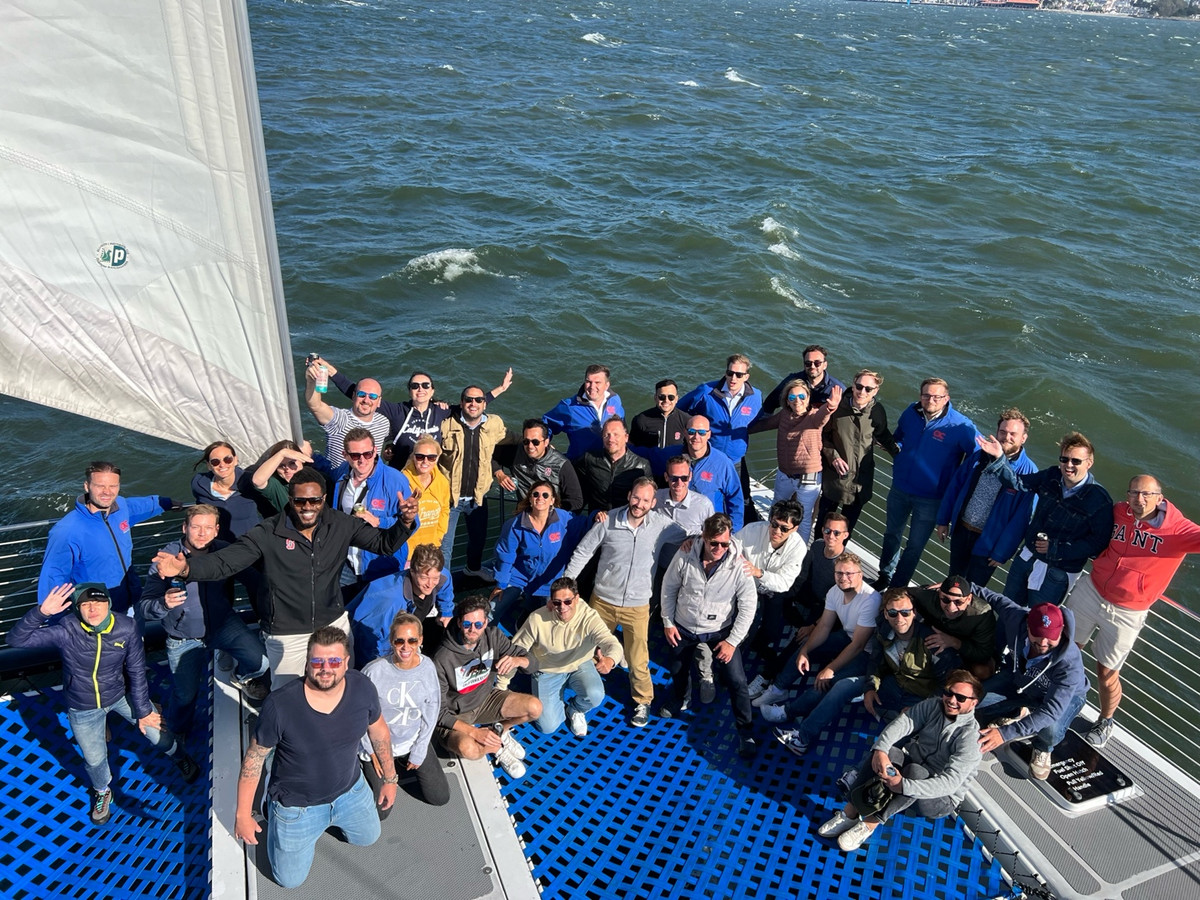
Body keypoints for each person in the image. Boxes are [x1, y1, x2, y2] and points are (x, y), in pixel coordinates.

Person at [154, 467, 417, 684]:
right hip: (286, 632)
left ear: (323, 499)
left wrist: (404, 522)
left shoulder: (341, 524)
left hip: (333, 622)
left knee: (341, 681)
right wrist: (187, 569)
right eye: (299, 500)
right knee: (286, 693)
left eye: (314, 500)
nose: (307, 507)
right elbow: (226, 562)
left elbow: (384, 544)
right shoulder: (267, 532)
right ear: (290, 500)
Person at [9, 583, 199, 826]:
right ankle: (102, 791)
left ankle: (179, 756)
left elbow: (137, 671)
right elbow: (16, 640)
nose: (92, 609)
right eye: (85, 604)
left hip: (120, 695)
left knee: (157, 732)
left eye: (97, 602)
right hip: (83, 706)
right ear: (77, 609)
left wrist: (142, 712)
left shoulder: (126, 627)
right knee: (94, 759)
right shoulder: (67, 629)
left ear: (108, 604)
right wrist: (42, 612)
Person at [233, 626, 397, 888]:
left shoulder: (363, 687)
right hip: (297, 807)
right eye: (318, 661)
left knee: (369, 837)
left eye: (334, 661)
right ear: (307, 663)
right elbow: (253, 761)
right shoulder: (280, 705)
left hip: (350, 791)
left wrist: (390, 778)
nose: (325, 668)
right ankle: (271, 811)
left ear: (345, 663)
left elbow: (379, 732)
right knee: (289, 881)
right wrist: (242, 814)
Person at [1066, 474, 1200, 748]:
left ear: (1159, 498)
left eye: (1146, 495)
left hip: (1128, 611)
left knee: (1107, 672)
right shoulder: (1119, 512)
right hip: (1091, 590)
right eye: (1134, 493)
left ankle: (1105, 720)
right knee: (1066, 648)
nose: (1139, 500)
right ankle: (1057, 694)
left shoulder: (1178, 531)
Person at [564, 477, 686, 727]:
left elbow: (687, 536)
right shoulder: (607, 521)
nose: (639, 504)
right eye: (636, 497)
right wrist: (565, 586)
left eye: (645, 500)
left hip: (637, 605)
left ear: (653, 503)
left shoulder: (663, 526)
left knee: (638, 656)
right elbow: (584, 551)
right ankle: (583, 691)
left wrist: (695, 542)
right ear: (629, 495)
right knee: (586, 646)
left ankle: (642, 701)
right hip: (603, 600)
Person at [818, 671, 983, 852]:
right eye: (948, 692)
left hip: (940, 798)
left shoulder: (970, 738)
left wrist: (903, 786)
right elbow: (903, 723)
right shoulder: (933, 705)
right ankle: (851, 811)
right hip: (914, 765)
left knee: (916, 772)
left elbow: (950, 784)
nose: (951, 700)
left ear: (973, 702)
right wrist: (880, 750)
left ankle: (870, 824)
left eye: (960, 697)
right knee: (890, 752)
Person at [142, 505, 270, 735]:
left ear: (217, 530)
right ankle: (179, 734)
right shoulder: (166, 558)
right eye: (196, 527)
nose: (202, 533)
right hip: (183, 637)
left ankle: (241, 676)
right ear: (184, 528)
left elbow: (256, 581)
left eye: (208, 527)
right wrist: (163, 603)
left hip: (224, 624)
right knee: (184, 695)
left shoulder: (225, 552)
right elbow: (145, 607)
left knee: (261, 661)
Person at [772, 589, 941, 758]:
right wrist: (870, 688)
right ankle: (801, 737)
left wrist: (921, 708)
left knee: (902, 736)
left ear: (914, 613)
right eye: (893, 613)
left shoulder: (930, 641)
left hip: (919, 697)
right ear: (886, 614)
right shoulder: (884, 631)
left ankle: (859, 775)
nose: (900, 619)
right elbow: (876, 662)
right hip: (893, 685)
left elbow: (945, 683)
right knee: (842, 686)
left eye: (905, 612)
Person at [976, 430, 1114, 607]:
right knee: (1007, 610)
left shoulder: (1099, 500)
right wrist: (999, 458)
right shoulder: (1052, 475)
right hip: (1027, 558)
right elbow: (1018, 482)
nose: (1068, 465)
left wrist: (1056, 548)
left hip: (1057, 572)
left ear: (1089, 463)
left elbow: (1098, 543)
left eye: (1076, 461)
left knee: (1038, 624)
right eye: (1064, 459)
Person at [660, 513, 760, 758]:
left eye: (724, 544)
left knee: (737, 680)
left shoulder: (739, 565)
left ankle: (745, 731)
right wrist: (667, 622)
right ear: (703, 538)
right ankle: (681, 696)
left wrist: (732, 642)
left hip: (719, 632)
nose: (719, 548)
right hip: (683, 626)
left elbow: (748, 606)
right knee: (676, 668)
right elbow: (669, 587)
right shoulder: (685, 553)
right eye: (713, 543)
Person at [876, 378, 977, 590]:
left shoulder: (961, 426)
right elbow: (900, 437)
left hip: (931, 499)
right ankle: (884, 576)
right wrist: (895, 446)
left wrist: (957, 479)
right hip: (900, 488)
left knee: (914, 546)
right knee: (891, 534)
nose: (930, 400)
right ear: (920, 395)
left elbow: (976, 456)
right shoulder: (910, 412)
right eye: (926, 395)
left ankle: (897, 588)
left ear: (946, 399)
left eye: (936, 396)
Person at [755, 552, 880, 723]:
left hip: (868, 652)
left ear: (860, 575)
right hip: (848, 636)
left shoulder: (870, 600)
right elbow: (824, 626)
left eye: (849, 573)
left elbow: (859, 645)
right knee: (807, 644)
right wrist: (805, 651)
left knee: (829, 680)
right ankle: (778, 689)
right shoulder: (835, 591)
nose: (844, 578)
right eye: (839, 573)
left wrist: (831, 668)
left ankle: (788, 712)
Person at [37, 461, 175, 613]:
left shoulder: (120, 506)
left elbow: (136, 507)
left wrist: (165, 503)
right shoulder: (66, 531)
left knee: (136, 635)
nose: (107, 492)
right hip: (97, 613)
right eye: (100, 486)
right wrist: (54, 620)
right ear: (87, 486)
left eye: (113, 486)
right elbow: (53, 577)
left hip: (132, 600)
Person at [977, 594, 1089, 780]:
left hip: (1063, 699)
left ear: (1061, 631)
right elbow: (994, 598)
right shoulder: (1016, 616)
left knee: (1050, 728)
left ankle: (1043, 747)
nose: (1043, 643)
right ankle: (1017, 712)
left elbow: (1050, 711)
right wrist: (963, 587)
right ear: (1028, 625)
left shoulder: (1070, 663)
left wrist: (1004, 734)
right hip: (1022, 682)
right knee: (977, 698)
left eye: (1051, 638)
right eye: (1038, 635)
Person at [322, 359, 511, 468]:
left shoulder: (440, 411)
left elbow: (472, 405)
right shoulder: (397, 411)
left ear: (432, 391)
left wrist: (500, 390)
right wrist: (329, 370)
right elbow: (361, 395)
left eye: (425, 385)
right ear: (410, 390)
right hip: (400, 476)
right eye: (415, 386)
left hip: (428, 477)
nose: (420, 389)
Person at [433, 597, 541, 778]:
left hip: (485, 699)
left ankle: (499, 731)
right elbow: (438, 712)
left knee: (535, 708)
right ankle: (495, 747)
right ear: (459, 622)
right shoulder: (442, 658)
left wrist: (517, 660)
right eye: (467, 623)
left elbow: (533, 664)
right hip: (456, 713)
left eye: (478, 624)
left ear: (486, 623)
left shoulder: (494, 637)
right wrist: (474, 732)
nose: (472, 629)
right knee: (468, 748)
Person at [505, 577, 624, 736]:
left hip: (579, 664)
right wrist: (502, 686)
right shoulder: (537, 618)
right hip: (547, 670)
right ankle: (553, 704)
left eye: (567, 601)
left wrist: (610, 660)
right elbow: (515, 651)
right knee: (548, 727)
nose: (562, 607)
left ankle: (575, 708)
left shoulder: (589, 617)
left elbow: (612, 644)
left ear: (577, 599)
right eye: (557, 602)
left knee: (595, 695)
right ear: (551, 602)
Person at [936, 408, 1037, 588]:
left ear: (1024, 438)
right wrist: (943, 519)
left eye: (1013, 434)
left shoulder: (1028, 472)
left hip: (989, 545)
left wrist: (1002, 552)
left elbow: (1022, 519)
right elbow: (955, 486)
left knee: (974, 590)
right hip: (962, 531)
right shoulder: (980, 456)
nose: (1007, 437)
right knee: (954, 582)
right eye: (1003, 432)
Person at [360, 613, 450, 811]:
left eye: (412, 640)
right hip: (380, 746)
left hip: (410, 740)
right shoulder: (374, 672)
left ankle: (401, 765)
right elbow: (359, 715)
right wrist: (370, 750)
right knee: (381, 811)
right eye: (399, 640)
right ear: (392, 641)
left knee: (440, 797)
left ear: (421, 640)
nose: (406, 647)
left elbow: (431, 710)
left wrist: (419, 749)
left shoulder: (427, 667)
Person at [750, 376, 842, 541]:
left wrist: (830, 406)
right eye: (792, 397)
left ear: (808, 398)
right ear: (787, 400)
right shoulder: (784, 415)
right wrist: (738, 430)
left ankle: (799, 556)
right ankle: (769, 542)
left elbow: (822, 416)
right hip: (784, 474)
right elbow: (764, 424)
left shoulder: (813, 417)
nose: (797, 401)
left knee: (804, 518)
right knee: (776, 510)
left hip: (809, 478)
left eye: (802, 397)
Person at [330, 428, 414, 600]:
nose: (362, 460)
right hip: (347, 565)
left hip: (381, 567)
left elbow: (413, 524)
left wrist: (379, 521)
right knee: (345, 616)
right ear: (345, 455)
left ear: (375, 451)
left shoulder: (394, 480)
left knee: (378, 620)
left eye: (367, 454)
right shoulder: (341, 475)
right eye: (355, 455)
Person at [491, 480, 587, 631]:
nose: (540, 498)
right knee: (493, 608)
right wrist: (500, 584)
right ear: (530, 498)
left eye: (545, 495)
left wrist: (598, 515)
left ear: (552, 500)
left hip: (551, 581)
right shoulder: (515, 524)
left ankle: (528, 615)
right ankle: (484, 643)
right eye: (535, 494)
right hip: (521, 577)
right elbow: (505, 554)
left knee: (554, 620)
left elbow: (587, 524)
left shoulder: (565, 519)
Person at [817, 369, 899, 536]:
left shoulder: (877, 412)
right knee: (823, 527)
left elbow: (884, 436)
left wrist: (901, 458)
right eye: (859, 386)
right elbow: (822, 436)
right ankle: (817, 557)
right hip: (835, 479)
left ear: (876, 391)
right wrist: (834, 457)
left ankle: (836, 559)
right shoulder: (837, 407)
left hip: (860, 481)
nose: (862, 392)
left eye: (868, 389)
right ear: (853, 386)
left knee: (846, 531)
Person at [439, 384, 508, 579]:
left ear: (485, 404)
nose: (473, 403)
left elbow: (510, 441)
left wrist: (544, 446)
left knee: (478, 541)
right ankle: (441, 586)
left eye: (478, 400)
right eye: (468, 399)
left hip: (477, 498)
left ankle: (473, 569)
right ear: (461, 403)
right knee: (445, 548)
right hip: (450, 499)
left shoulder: (493, 425)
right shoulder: (446, 425)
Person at [738, 500, 808, 692]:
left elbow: (784, 583)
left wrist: (759, 573)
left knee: (771, 630)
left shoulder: (798, 548)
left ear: (795, 529)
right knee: (744, 626)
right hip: (747, 585)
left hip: (773, 589)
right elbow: (732, 546)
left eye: (784, 528)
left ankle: (757, 644)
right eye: (774, 524)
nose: (776, 531)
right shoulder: (753, 530)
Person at [349, 544, 455, 663]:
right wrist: (383, 664)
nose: (430, 584)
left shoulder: (441, 576)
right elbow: (369, 639)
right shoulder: (390, 601)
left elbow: (446, 584)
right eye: (424, 578)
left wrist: (446, 611)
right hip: (365, 637)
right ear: (412, 571)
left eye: (435, 578)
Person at [907, 575, 997, 680]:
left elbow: (983, 653)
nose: (951, 607)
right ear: (939, 594)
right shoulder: (928, 596)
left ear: (968, 599)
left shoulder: (982, 614)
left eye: (958, 602)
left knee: (982, 671)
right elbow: (899, 594)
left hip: (966, 648)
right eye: (945, 599)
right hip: (932, 638)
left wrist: (955, 642)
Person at [678, 354, 763, 467]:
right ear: (725, 373)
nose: (733, 378)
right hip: (706, 456)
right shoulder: (706, 391)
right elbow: (678, 410)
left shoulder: (755, 397)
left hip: (735, 461)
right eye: (730, 373)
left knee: (739, 485)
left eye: (738, 375)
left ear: (746, 377)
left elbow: (756, 421)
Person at [304, 361, 389, 467]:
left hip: (367, 479)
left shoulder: (383, 423)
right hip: (338, 478)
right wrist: (311, 382)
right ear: (353, 396)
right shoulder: (340, 418)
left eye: (372, 397)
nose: (366, 400)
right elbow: (315, 405)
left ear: (379, 401)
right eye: (361, 394)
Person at [493, 418, 584, 512]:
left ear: (546, 442)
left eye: (535, 442)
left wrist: (554, 516)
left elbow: (576, 500)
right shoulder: (516, 453)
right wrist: (499, 473)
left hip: (552, 517)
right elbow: (487, 455)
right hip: (524, 514)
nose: (530, 446)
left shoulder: (561, 464)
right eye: (526, 441)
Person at [543, 364, 624, 460]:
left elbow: (622, 425)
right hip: (581, 466)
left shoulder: (615, 400)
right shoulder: (570, 407)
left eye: (597, 382)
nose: (592, 386)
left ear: (607, 385)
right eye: (588, 382)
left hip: (610, 462)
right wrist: (545, 444)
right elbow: (545, 423)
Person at [680, 414, 744, 531]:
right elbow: (649, 455)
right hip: (680, 525)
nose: (696, 437)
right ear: (685, 432)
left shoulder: (723, 463)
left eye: (702, 433)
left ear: (709, 434)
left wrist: (732, 532)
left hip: (711, 528)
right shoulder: (672, 456)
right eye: (691, 431)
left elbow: (735, 499)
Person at [575, 416, 650, 513]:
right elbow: (574, 490)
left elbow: (647, 499)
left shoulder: (641, 465)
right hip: (597, 519)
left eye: (616, 435)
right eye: (607, 435)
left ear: (626, 437)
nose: (611, 439)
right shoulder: (589, 460)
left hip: (626, 518)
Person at [190, 440, 262, 542]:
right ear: (209, 466)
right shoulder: (199, 484)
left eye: (227, 459)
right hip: (215, 547)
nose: (222, 465)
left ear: (235, 460)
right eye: (215, 462)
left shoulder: (250, 482)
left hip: (249, 545)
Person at [400, 434, 452, 557]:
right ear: (413, 457)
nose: (425, 461)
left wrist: (439, 536)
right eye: (420, 457)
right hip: (405, 550)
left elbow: (445, 510)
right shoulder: (402, 481)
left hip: (431, 549)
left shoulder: (442, 482)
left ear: (437, 458)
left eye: (431, 457)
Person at [762, 344, 846, 414]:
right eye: (808, 363)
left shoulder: (837, 388)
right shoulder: (792, 381)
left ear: (825, 365)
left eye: (817, 363)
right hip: (795, 423)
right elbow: (770, 403)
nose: (812, 366)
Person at [241, 438, 314, 516]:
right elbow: (257, 481)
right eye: (281, 465)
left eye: (292, 463)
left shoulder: (315, 477)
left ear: (302, 461)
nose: (287, 469)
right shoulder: (276, 484)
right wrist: (282, 453)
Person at [630, 378, 689, 450]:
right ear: (655, 398)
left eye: (671, 397)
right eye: (662, 397)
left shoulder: (687, 421)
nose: (666, 400)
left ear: (676, 399)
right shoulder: (641, 420)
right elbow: (632, 447)